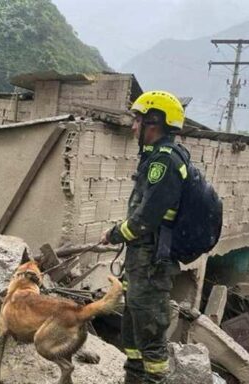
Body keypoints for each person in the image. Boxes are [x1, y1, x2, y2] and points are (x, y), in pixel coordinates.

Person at [101, 91, 189, 384]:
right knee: (133, 333)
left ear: (155, 121)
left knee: (150, 338)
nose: (133, 126)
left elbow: (145, 219)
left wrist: (115, 233)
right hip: (142, 261)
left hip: (152, 262)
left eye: (137, 120)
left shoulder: (163, 163)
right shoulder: (156, 159)